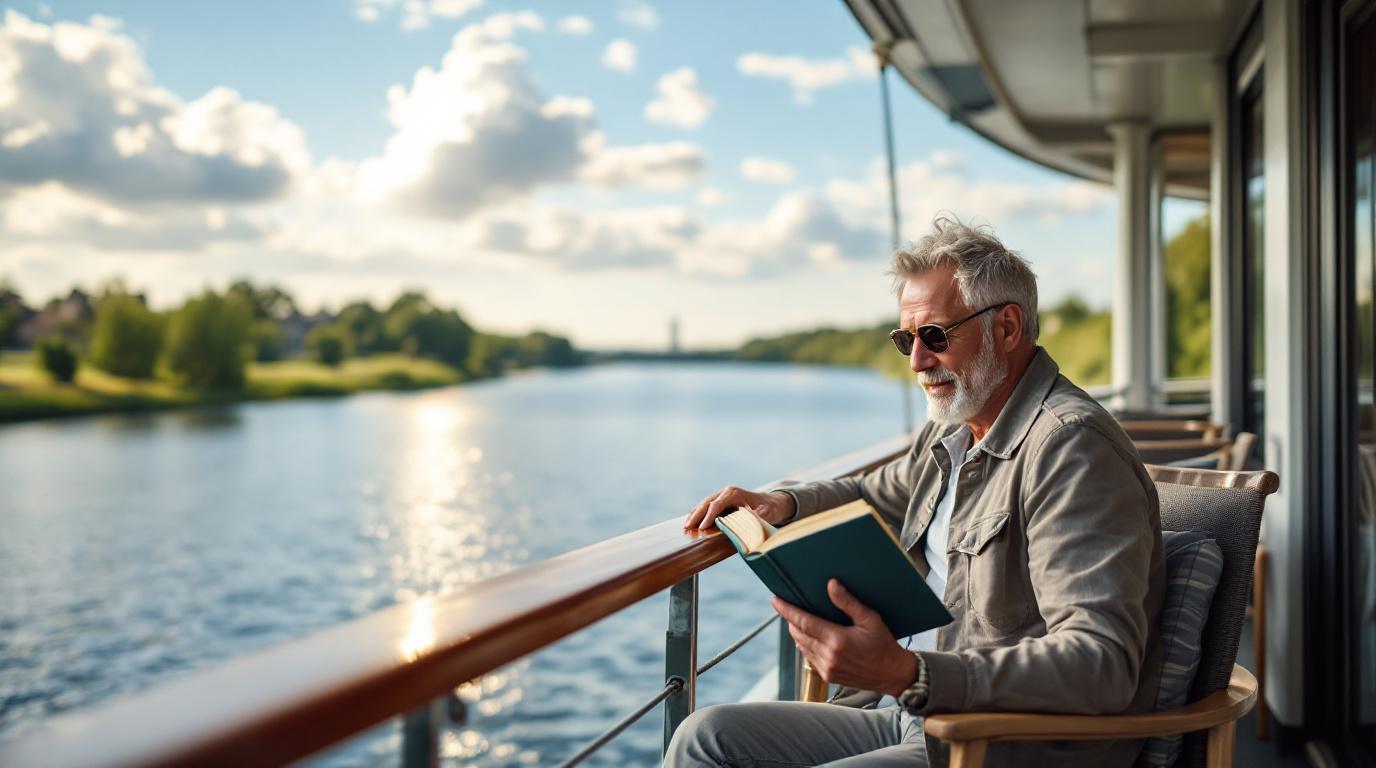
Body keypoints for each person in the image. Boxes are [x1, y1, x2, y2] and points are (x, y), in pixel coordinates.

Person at [667, 216, 1165, 767]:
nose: (916, 361)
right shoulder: (955, 428)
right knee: (704, 736)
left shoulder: (1069, 449)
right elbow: (876, 491)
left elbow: (1101, 664)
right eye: (906, 338)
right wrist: (782, 503)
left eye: (935, 336)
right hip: (910, 715)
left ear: (1006, 328)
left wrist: (911, 673)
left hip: (998, 742)